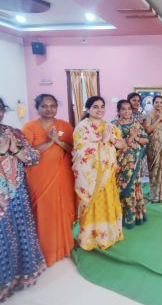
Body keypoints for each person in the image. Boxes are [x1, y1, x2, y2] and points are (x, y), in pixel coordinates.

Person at [22, 94, 76, 267]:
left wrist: (58, 142)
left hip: (63, 176)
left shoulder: (65, 126)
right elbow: (26, 153)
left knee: (64, 210)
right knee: (43, 213)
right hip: (39, 178)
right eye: (44, 106)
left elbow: (73, 149)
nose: (49, 109)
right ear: (37, 108)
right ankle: (45, 251)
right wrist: (48, 142)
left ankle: (65, 247)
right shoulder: (29, 127)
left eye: (53, 106)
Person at [0, 98, 45, 302]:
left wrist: (16, 150)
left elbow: (34, 157)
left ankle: (20, 276)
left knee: (20, 233)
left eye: (0, 110)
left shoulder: (13, 132)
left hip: (17, 193)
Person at [72, 96, 125, 250]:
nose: (100, 109)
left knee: (107, 202)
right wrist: (102, 141)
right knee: (91, 204)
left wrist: (111, 140)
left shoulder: (109, 126)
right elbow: (79, 153)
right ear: (88, 109)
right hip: (90, 178)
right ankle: (89, 238)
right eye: (95, 107)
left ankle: (109, 234)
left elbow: (122, 144)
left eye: (102, 106)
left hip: (107, 175)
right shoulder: (82, 128)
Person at [113, 100, 148, 229]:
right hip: (119, 163)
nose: (127, 111)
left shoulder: (137, 125)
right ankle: (119, 216)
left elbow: (145, 141)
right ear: (118, 111)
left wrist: (135, 137)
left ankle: (133, 216)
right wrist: (130, 139)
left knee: (133, 187)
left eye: (128, 109)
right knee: (119, 187)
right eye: (123, 109)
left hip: (134, 163)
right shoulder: (113, 126)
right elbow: (110, 144)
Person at [143, 95, 162, 202]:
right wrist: (158, 119)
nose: (159, 104)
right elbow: (148, 130)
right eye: (157, 102)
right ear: (153, 103)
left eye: (161, 102)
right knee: (155, 168)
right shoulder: (148, 115)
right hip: (153, 146)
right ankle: (156, 194)